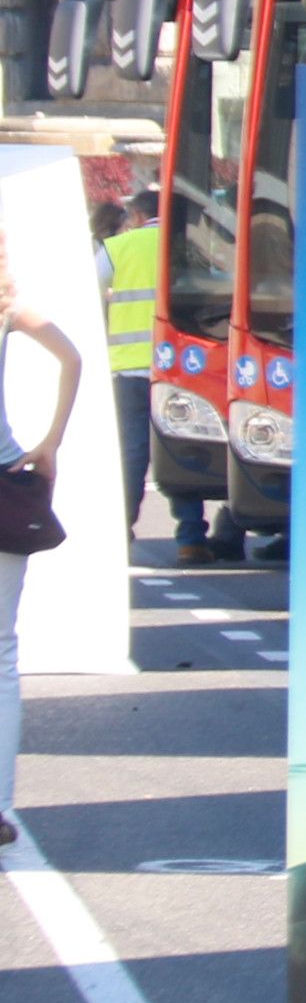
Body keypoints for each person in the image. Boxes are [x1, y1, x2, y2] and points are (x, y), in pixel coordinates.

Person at [0, 225, 82, 852]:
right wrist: (50, 441)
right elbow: (72, 357)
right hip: (4, 489)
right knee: (1, 656)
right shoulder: (8, 308)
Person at [95, 191, 151, 545]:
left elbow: (90, 288)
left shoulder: (119, 246)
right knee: (189, 448)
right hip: (187, 364)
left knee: (133, 448)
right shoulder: (192, 244)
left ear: (136, 214)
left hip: (129, 365)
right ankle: (191, 535)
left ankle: (122, 523)